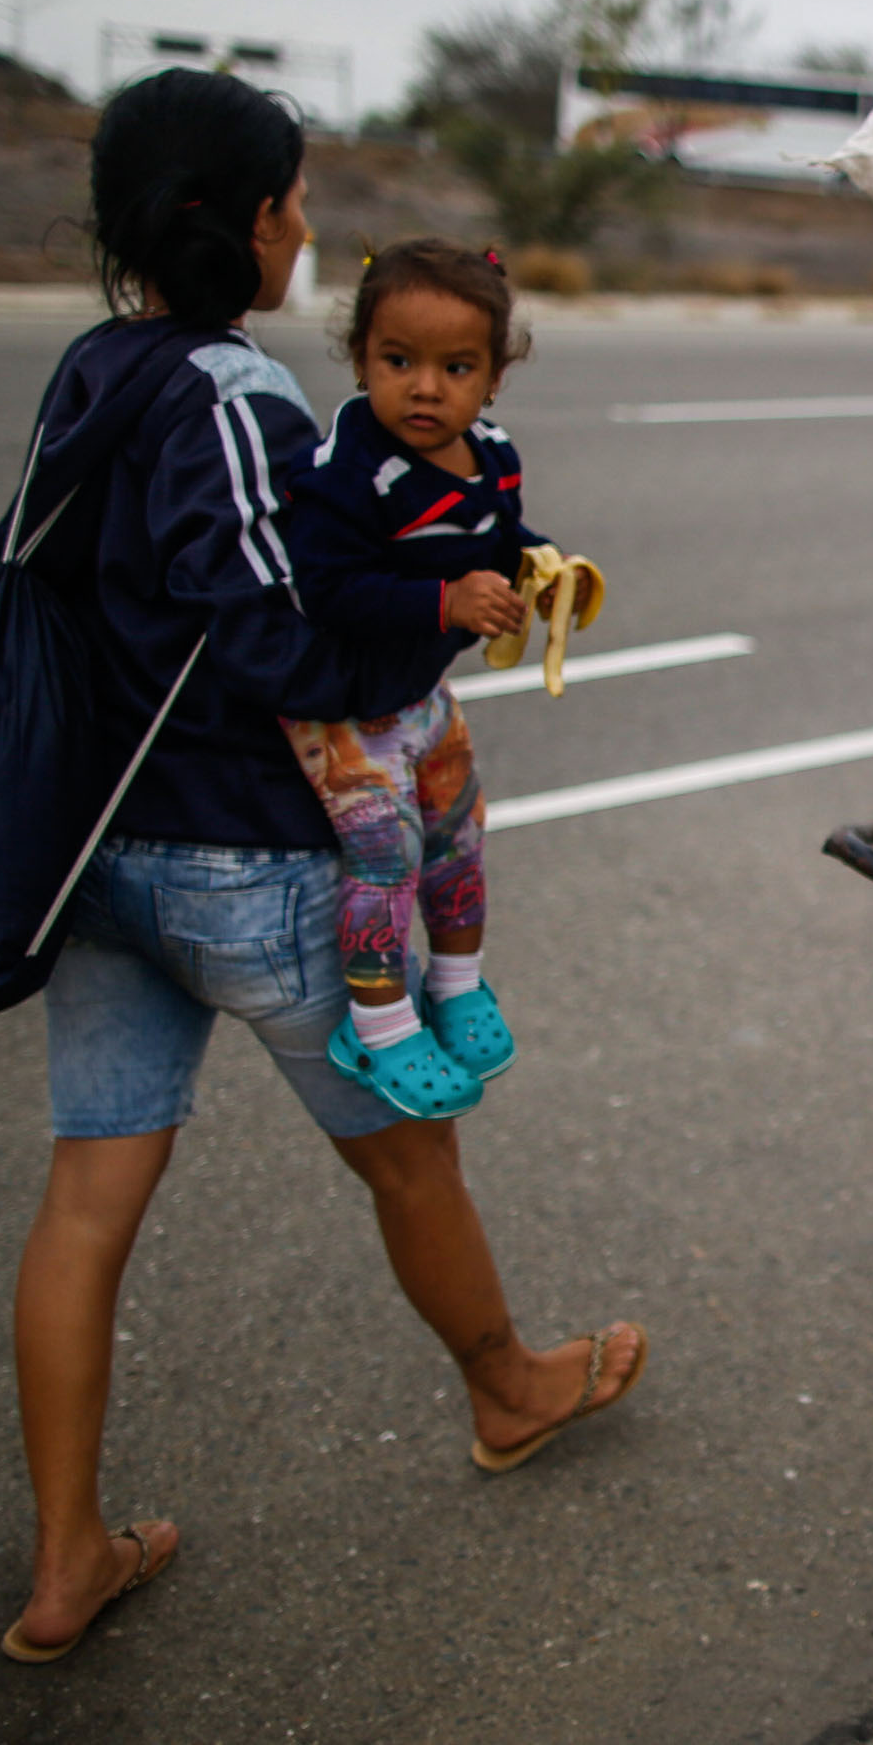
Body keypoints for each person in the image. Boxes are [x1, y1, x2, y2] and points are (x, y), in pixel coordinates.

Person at [0, 72, 644, 1665]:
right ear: (252, 222)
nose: (302, 223)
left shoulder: (96, 368)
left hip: (99, 850)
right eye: (289, 198)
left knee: (88, 1197)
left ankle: (68, 1555)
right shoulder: (247, 402)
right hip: (247, 855)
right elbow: (283, 637)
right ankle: (509, 1384)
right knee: (408, 1145)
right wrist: (443, 613)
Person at [274, 238, 579, 1123]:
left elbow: (498, 534)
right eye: (397, 360)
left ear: (492, 380)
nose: (424, 387)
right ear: (361, 355)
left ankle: (455, 986)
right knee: (386, 853)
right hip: (342, 708)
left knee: (460, 833)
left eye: (456, 367)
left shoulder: (491, 454)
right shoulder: (349, 474)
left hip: (418, 696)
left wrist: (538, 565)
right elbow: (323, 589)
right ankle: (377, 1022)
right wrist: (445, 601)